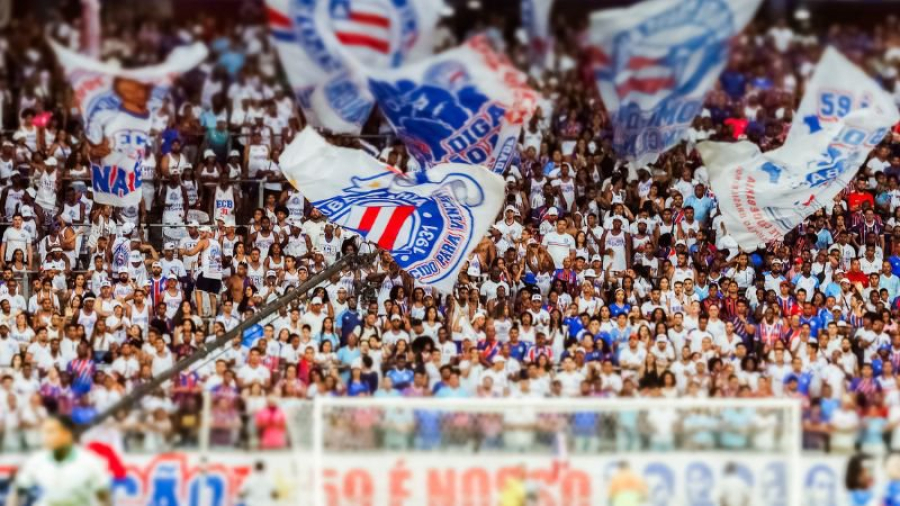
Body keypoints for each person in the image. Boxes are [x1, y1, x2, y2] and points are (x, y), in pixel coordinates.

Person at [10, 415, 111, 505]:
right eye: (44, 432)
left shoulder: (90, 461)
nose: (45, 437)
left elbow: (104, 497)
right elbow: (18, 491)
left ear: (67, 434)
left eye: (51, 432)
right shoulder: (36, 460)